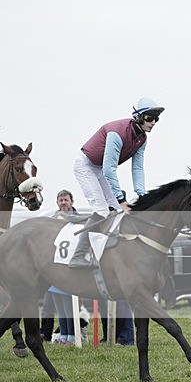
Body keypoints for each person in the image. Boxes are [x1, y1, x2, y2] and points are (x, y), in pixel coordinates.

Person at [70, 97, 165, 268]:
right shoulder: (117, 133)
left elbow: (137, 169)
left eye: (156, 119)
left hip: (98, 168)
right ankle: (77, 255)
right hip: (85, 166)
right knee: (102, 209)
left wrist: (142, 195)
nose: (154, 122)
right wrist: (122, 200)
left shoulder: (142, 138)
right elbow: (109, 169)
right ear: (138, 117)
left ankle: (107, 251)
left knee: (114, 210)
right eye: (150, 118)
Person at [41, 189, 80, 341]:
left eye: (66, 200)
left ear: (71, 201)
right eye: (61, 200)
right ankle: (62, 336)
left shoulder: (77, 222)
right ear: (57, 203)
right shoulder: (51, 223)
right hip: (52, 274)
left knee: (69, 308)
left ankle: (72, 336)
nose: (63, 203)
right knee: (57, 308)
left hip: (68, 272)